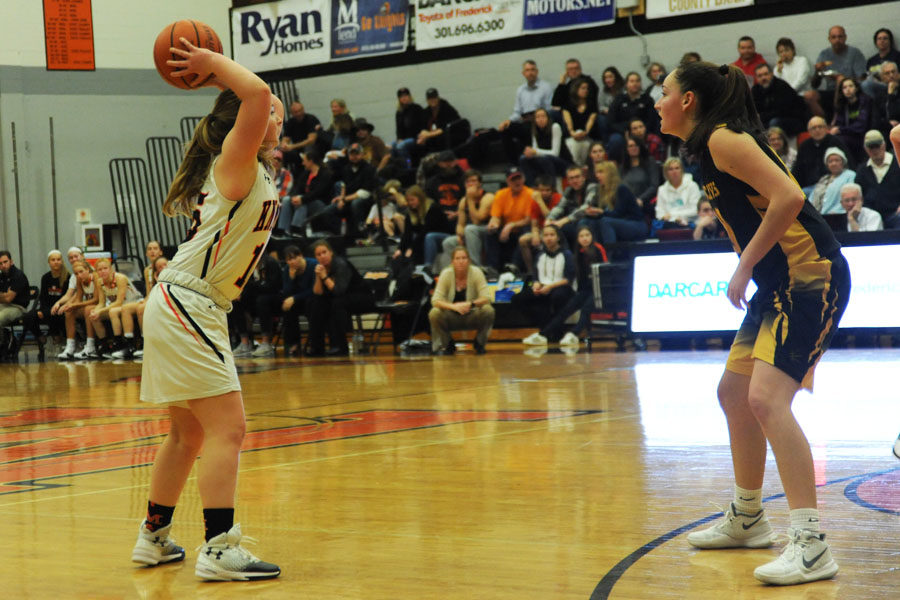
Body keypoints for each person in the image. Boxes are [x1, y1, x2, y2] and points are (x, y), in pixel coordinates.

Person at [656, 60, 850, 586]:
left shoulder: (722, 138)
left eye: (664, 91)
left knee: (766, 399)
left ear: (689, 100)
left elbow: (790, 196)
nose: (657, 100)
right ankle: (748, 517)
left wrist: (743, 266)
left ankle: (811, 544)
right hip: (778, 284)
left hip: (811, 276)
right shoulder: (704, 147)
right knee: (734, 394)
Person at [129, 37, 282, 580]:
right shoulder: (235, 161)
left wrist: (219, 80)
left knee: (187, 433)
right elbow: (258, 92)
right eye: (271, 116)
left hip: (182, 301)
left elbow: (255, 98)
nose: (276, 118)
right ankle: (218, 548)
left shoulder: (245, 165)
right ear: (248, 119)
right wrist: (211, 65)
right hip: (188, 302)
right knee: (228, 429)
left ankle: (153, 537)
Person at [533, 225, 608, 346]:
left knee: (586, 309)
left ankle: (573, 334)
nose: (585, 239)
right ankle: (543, 335)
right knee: (567, 309)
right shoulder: (577, 252)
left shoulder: (598, 248)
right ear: (577, 239)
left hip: (600, 288)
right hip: (585, 289)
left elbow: (605, 268)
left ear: (592, 236)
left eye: (587, 235)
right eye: (581, 236)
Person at [307, 240, 374, 356]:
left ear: (331, 253)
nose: (323, 256)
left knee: (337, 303)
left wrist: (324, 277)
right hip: (341, 298)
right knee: (315, 303)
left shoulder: (341, 264)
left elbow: (339, 290)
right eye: (319, 254)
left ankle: (340, 346)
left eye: (324, 252)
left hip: (361, 296)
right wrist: (319, 276)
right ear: (315, 257)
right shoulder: (319, 268)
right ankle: (317, 347)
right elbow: (318, 293)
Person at [515, 224, 576, 345]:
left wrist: (550, 287)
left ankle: (552, 332)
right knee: (518, 299)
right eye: (546, 235)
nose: (549, 238)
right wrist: (536, 285)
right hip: (544, 287)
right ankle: (546, 327)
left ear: (558, 237)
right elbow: (536, 275)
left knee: (557, 296)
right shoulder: (540, 255)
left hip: (561, 287)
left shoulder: (567, 254)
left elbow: (569, 279)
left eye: (552, 235)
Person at [428, 247, 494, 355]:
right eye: (457, 258)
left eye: (464, 258)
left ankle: (479, 342)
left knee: (488, 310)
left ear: (469, 261)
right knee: (434, 313)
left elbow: (487, 297)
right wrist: (454, 307)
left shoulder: (477, 272)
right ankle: (448, 344)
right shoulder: (446, 273)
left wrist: (471, 303)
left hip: (472, 314)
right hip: (451, 316)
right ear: (452, 261)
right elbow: (435, 300)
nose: (461, 261)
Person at [498, 60, 555, 163]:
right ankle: (514, 164)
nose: (530, 73)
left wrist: (539, 118)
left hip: (539, 121)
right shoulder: (520, 90)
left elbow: (549, 109)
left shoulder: (545, 87)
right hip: (525, 121)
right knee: (505, 129)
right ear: (523, 73)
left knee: (528, 129)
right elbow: (517, 112)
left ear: (537, 71)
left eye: (533, 70)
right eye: (527, 70)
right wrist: (508, 121)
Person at [230, 249, 281, 358]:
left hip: (274, 299)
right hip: (258, 299)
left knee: (261, 301)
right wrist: (240, 295)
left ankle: (266, 342)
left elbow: (273, 287)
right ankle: (245, 343)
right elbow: (249, 286)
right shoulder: (249, 266)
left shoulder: (270, 263)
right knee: (236, 303)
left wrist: (253, 286)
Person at [88, 257, 142, 358]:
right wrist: (96, 311)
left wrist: (100, 311)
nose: (103, 271)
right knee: (92, 314)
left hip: (133, 303)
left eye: (105, 268)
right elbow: (101, 302)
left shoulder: (120, 278)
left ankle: (120, 344)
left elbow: (119, 302)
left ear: (111, 269)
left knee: (112, 311)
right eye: (99, 269)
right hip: (118, 306)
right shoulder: (100, 282)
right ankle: (104, 345)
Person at [810, 26, 867, 121]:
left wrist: (842, 79)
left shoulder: (855, 53)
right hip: (830, 91)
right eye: (834, 37)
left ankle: (836, 120)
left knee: (840, 80)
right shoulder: (824, 54)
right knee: (809, 95)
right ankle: (823, 123)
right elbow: (814, 85)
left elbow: (862, 78)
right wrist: (817, 71)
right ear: (829, 39)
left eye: (840, 37)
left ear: (845, 37)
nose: (837, 40)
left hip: (850, 90)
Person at [322, 142, 379, 237]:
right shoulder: (346, 168)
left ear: (362, 154)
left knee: (356, 203)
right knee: (328, 211)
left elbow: (364, 192)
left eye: (356, 154)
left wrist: (344, 199)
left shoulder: (370, 169)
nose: (354, 156)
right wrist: (341, 198)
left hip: (366, 200)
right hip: (348, 198)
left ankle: (361, 233)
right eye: (351, 154)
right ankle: (336, 236)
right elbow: (344, 185)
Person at [583, 160, 647, 244]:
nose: (597, 175)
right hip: (619, 223)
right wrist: (592, 213)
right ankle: (595, 253)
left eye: (601, 172)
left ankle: (609, 254)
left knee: (605, 222)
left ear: (610, 174)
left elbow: (618, 214)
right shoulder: (601, 190)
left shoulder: (621, 189)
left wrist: (600, 212)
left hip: (636, 224)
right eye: (596, 172)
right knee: (588, 222)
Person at [21, 249, 69, 358]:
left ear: (61, 261)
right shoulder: (45, 277)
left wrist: (46, 311)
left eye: (58, 259)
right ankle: (42, 338)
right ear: (49, 262)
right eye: (53, 260)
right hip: (47, 307)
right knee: (28, 317)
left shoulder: (67, 277)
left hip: (61, 308)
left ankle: (57, 339)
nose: (56, 262)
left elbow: (66, 298)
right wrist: (42, 310)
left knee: (52, 314)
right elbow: (43, 298)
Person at [485, 166, 535, 270]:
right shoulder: (501, 194)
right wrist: (493, 223)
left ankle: (514, 266)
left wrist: (511, 225)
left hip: (523, 228)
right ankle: (492, 268)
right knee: (491, 232)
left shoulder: (531, 194)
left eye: (519, 178)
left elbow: (528, 220)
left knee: (526, 229)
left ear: (524, 179)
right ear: (508, 181)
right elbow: (496, 216)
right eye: (513, 179)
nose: (517, 182)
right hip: (507, 231)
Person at [276, 148, 333, 235]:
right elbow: (297, 187)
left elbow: (318, 192)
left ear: (311, 161)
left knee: (302, 204)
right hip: (305, 200)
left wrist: (302, 199)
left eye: (304, 161)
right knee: (287, 200)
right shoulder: (306, 173)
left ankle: (296, 230)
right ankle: (283, 230)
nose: (302, 163)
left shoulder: (325, 174)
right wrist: (294, 197)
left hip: (319, 202)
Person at [446, 170, 494, 267]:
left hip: (487, 230)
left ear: (480, 183)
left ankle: (476, 267)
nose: (470, 184)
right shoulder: (463, 201)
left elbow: (478, 220)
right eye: (468, 181)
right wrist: (460, 235)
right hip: (470, 232)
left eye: (473, 181)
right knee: (448, 242)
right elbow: (460, 224)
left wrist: (471, 199)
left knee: (470, 229)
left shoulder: (488, 197)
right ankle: (459, 269)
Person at [792, 116, 852, 192]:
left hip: (831, 185)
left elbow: (849, 163)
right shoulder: (805, 146)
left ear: (826, 128)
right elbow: (798, 169)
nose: (817, 130)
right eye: (814, 128)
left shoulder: (836, 142)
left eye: (820, 127)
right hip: (809, 186)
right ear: (809, 131)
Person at [276, 245, 317, 357]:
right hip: (297, 301)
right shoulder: (287, 271)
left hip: (311, 299)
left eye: (294, 258)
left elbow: (313, 290)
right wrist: (291, 278)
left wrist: (294, 298)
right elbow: (286, 293)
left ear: (301, 256)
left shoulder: (313, 265)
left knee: (311, 304)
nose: (292, 262)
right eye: (289, 260)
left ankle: (313, 343)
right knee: (287, 308)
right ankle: (294, 343)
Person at [855, 129, 900, 227]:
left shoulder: (897, 163)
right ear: (866, 149)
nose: (875, 150)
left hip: (896, 213)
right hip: (871, 216)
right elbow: (858, 194)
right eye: (871, 147)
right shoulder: (862, 170)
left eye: (877, 146)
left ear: (884, 145)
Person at [519, 175, 562, 276]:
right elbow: (534, 224)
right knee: (523, 240)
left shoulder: (558, 198)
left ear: (552, 190)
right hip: (542, 230)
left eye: (547, 190)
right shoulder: (534, 202)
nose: (544, 193)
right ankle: (531, 272)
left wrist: (540, 201)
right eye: (542, 190)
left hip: (556, 230)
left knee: (547, 237)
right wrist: (535, 234)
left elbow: (550, 217)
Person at [546, 165, 598, 249]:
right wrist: (549, 220)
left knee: (569, 225)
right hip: (575, 221)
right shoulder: (569, 190)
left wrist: (563, 221)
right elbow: (560, 207)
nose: (575, 181)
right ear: (568, 180)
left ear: (583, 177)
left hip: (592, 220)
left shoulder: (592, 186)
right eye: (571, 178)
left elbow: (586, 208)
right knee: (556, 229)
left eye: (577, 177)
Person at [58, 260, 100, 360]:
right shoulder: (79, 280)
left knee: (88, 310)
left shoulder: (95, 277)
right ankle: (70, 346)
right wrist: (70, 305)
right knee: (69, 311)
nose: (79, 275)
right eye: (76, 273)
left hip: (101, 305)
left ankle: (91, 346)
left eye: (81, 272)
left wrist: (75, 304)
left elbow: (96, 299)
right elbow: (79, 298)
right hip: (90, 305)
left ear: (88, 269)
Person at [752, 63, 808, 136]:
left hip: (792, 119)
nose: (763, 78)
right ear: (756, 78)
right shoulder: (755, 90)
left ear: (772, 74)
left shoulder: (781, 86)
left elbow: (782, 111)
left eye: (766, 74)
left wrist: (762, 117)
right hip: (769, 119)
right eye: (760, 76)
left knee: (774, 122)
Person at [518, 107, 568, 186]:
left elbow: (555, 153)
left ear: (548, 118)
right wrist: (530, 152)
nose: (540, 119)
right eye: (537, 117)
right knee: (523, 158)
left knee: (545, 159)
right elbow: (535, 149)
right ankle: (531, 187)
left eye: (543, 116)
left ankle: (551, 187)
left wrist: (535, 152)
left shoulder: (555, 127)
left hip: (561, 161)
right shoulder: (534, 129)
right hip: (543, 160)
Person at [830, 77, 872, 163]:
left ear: (856, 88)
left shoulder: (865, 101)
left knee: (841, 140)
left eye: (850, 86)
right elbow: (839, 123)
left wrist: (840, 130)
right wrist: (838, 129)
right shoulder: (842, 104)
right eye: (844, 88)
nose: (848, 90)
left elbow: (861, 126)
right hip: (849, 135)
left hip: (863, 135)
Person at [655, 157, 702, 229]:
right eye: (670, 169)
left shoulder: (692, 186)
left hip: (690, 223)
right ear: (665, 173)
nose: (674, 171)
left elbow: (695, 210)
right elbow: (659, 213)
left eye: (677, 168)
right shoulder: (662, 189)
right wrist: (674, 219)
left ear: (682, 170)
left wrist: (672, 215)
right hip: (669, 225)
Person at [0, 250, 30, 359]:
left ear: (11, 261)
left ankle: (3, 346)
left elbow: (9, 299)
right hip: (4, 306)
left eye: (5, 262)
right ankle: (6, 338)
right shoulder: (1, 277)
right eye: (0, 263)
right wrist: (5, 295)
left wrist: (4, 295)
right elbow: (6, 297)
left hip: (18, 307)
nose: (3, 265)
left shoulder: (18, 275)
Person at [809, 146, 856, 214]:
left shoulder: (850, 175)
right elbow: (812, 197)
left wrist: (837, 211)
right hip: (819, 215)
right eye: (830, 161)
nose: (834, 163)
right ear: (827, 165)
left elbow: (851, 196)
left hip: (837, 214)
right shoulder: (824, 179)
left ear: (843, 162)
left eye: (837, 160)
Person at [416, 88, 462, 156]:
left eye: (434, 98)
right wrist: (422, 136)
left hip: (449, 135)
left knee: (438, 140)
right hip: (433, 134)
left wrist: (428, 134)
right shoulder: (426, 111)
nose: (432, 100)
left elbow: (445, 128)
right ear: (427, 100)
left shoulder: (446, 108)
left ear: (438, 98)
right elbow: (423, 126)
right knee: (419, 143)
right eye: (430, 99)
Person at [562, 78, 598, 166]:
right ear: (576, 89)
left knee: (585, 143)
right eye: (583, 88)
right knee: (575, 144)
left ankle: (581, 167)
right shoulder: (568, 105)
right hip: (571, 137)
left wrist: (585, 132)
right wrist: (573, 133)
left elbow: (591, 121)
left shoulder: (592, 105)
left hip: (587, 137)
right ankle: (576, 166)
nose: (586, 91)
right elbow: (568, 123)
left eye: (587, 88)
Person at [620, 136, 661, 213]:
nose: (634, 148)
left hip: (644, 204)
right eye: (630, 146)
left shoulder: (650, 162)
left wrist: (641, 199)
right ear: (626, 149)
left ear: (640, 147)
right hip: (625, 205)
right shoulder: (623, 167)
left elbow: (654, 186)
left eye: (636, 145)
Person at [279, 101, 320, 170]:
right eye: (295, 112)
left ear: (303, 109)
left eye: (300, 110)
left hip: (312, 147)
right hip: (297, 150)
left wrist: (292, 146)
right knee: (282, 153)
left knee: (309, 150)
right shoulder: (290, 123)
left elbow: (311, 140)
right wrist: (284, 146)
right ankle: (283, 174)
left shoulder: (311, 119)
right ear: (291, 113)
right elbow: (286, 138)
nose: (299, 113)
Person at [862, 28, 900, 102]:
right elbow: (867, 75)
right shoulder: (871, 60)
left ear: (890, 41)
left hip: (892, 85)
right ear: (876, 42)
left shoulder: (897, 56)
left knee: (866, 85)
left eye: (885, 38)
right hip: (875, 86)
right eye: (879, 39)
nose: (882, 41)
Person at [392, 87, 427, 164]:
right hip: (405, 139)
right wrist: (399, 138)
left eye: (406, 95)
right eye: (401, 96)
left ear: (409, 96)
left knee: (401, 146)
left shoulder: (417, 108)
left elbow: (424, 124)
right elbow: (398, 129)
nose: (404, 98)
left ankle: (408, 165)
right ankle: (397, 167)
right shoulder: (399, 112)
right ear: (399, 99)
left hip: (416, 138)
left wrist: (422, 137)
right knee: (393, 145)